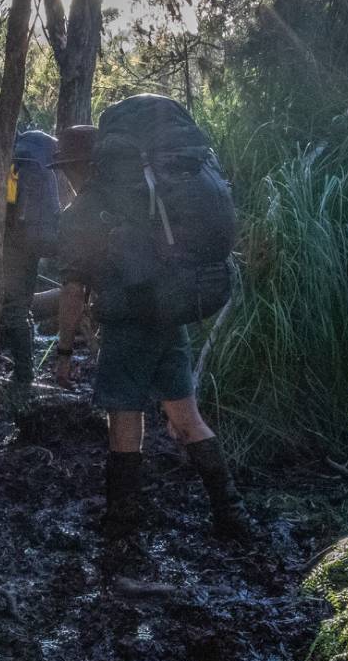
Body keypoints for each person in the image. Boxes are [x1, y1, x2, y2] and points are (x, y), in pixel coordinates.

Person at [50, 117, 256, 543]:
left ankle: (122, 525)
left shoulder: (85, 209)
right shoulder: (145, 196)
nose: (66, 176)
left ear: (79, 165)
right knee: (187, 419)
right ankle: (232, 516)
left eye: (66, 167)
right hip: (169, 317)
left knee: (124, 420)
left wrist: (65, 352)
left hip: (128, 325)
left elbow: (73, 290)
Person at [0, 130, 62, 396]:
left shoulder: (17, 166)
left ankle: (23, 375)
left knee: (15, 308)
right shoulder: (45, 169)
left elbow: (8, 202)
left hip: (15, 242)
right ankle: (23, 370)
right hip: (38, 241)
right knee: (20, 305)